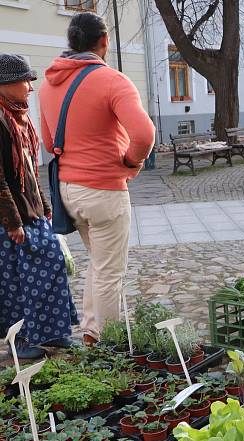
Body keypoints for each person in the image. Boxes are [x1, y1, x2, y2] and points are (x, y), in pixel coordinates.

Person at [39, 13, 154, 346]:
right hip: (104, 191)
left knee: (99, 265)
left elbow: (49, 143)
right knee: (109, 273)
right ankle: (106, 344)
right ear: (103, 40)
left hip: (68, 190)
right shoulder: (112, 80)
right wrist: (131, 161)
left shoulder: (48, 84)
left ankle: (92, 331)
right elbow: (144, 134)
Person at [0, 54, 78, 359]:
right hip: (11, 219)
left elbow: (30, 169)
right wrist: (12, 222)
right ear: (5, 84)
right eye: (25, 81)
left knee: (52, 268)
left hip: (32, 212)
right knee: (17, 283)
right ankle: (19, 341)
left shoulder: (18, 117)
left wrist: (45, 206)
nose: (30, 88)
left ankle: (54, 332)